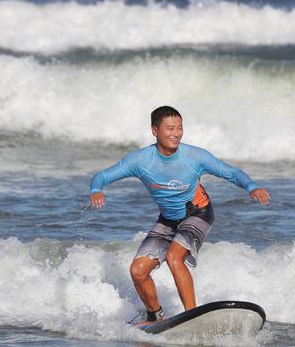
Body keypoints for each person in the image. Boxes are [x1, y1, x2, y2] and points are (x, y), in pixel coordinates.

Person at [89, 106, 270, 324]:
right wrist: (96, 190)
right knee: (137, 271)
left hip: (198, 212)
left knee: (175, 257)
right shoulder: (140, 161)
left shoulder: (195, 156)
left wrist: (251, 186)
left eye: (180, 128)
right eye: (170, 128)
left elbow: (230, 172)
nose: (176, 133)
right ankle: (155, 316)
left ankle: (192, 316)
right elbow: (102, 176)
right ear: (155, 131)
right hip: (168, 219)